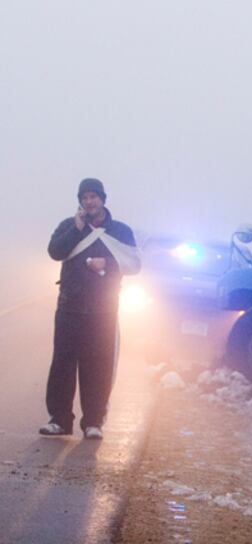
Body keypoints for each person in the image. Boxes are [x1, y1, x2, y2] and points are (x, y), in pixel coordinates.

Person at [39, 178, 141, 440]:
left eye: (93, 197)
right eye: (84, 197)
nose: (88, 202)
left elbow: (133, 264)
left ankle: (94, 421)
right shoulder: (69, 226)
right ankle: (59, 420)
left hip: (103, 309)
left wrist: (105, 263)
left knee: (98, 365)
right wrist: (75, 228)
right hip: (69, 307)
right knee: (62, 364)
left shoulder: (121, 231)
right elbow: (55, 251)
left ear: (103, 199)